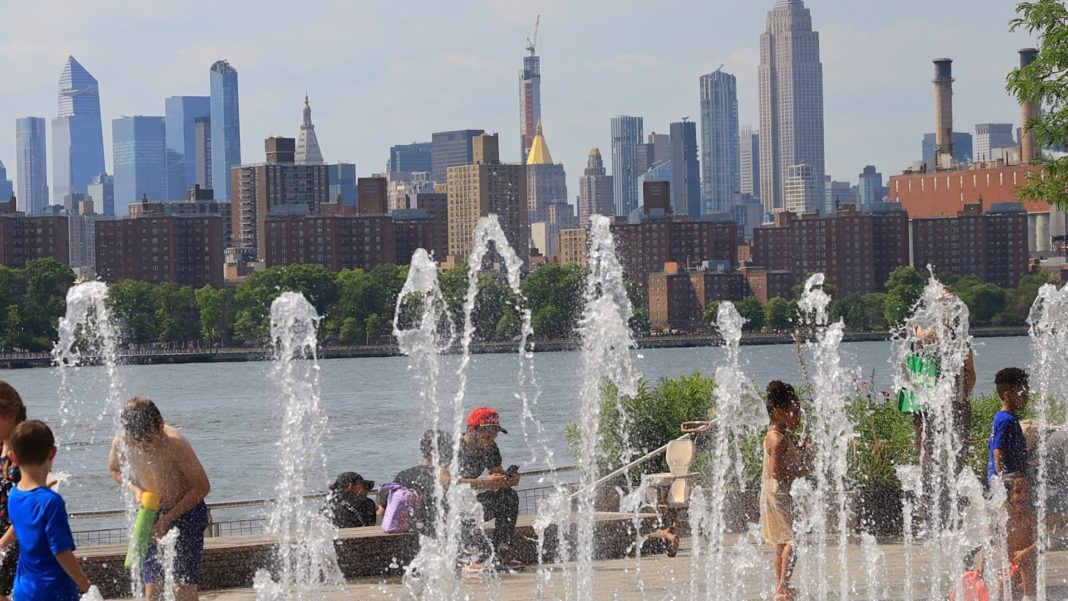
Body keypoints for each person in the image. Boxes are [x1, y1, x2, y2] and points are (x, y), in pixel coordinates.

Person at [108, 397, 211, 601]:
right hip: (150, 513)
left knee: (182, 586)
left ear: (161, 425)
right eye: (138, 442)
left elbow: (202, 487)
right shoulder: (122, 441)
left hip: (187, 512)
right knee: (152, 590)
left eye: (150, 439)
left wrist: (168, 519)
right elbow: (114, 469)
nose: (145, 446)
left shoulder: (176, 443)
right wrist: (135, 489)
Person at [7, 420, 91, 599]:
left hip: (24, 591)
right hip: (54, 591)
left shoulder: (14, 496)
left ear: (13, 457)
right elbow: (61, 551)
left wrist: (43, 489)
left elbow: (27, 523)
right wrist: (85, 584)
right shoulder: (52, 502)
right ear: (52, 452)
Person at [760, 381, 810, 601]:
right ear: (779, 412)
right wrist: (803, 471)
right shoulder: (776, 439)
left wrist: (805, 445)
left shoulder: (782, 434)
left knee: (782, 542)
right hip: (777, 493)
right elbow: (776, 472)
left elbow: (796, 446)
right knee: (792, 541)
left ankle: (782, 587)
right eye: (794, 412)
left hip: (775, 493)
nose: (798, 416)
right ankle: (782, 587)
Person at [458, 407, 521, 569]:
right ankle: (466, 553)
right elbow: (443, 482)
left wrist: (509, 480)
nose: (491, 440)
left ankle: (502, 548)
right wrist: (485, 482)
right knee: (463, 508)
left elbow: (497, 477)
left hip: (469, 501)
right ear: (472, 431)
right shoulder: (453, 448)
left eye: (494, 435)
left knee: (508, 495)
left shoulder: (491, 448)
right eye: (487, 435)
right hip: (447, 506)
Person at [388, 429, 452, 536]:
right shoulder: (446, 480)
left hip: (408, 536)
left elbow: (384, 511)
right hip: (439, 535)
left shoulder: (403, 476)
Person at [0, 382, 27, 601]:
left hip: (17, 536)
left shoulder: (26, 449)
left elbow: (29, 498)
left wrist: (6, 539)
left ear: (11, 414)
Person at [987, 368, 1029, 485]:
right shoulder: (1006, 420)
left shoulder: (1003, 417)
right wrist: (1002, 481)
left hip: (1011, 477)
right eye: (1022, 393)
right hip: (1008, 480)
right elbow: (997, 451)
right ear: (1008, 395)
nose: (1027, 397)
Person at [1003, 473, 1037, 601]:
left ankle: (1028, 596)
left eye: (1027, 491)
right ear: (1007, 495)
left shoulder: (1030, 517)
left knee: (1026, 562)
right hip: (1007, 566)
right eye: (1018, 491)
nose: (1024, 496)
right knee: (1000, 588)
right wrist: (980, 565)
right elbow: (988, 543)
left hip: (1025, 566)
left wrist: (1026, 552)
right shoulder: (1001, 518)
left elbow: (1042, 541)